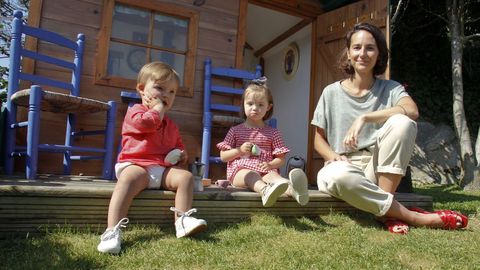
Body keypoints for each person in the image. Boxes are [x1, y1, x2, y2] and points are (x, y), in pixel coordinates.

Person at [311, 22, 468, 234]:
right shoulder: (330, 92)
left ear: (378, 54)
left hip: (378, 168)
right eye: (357, 47)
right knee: (338, 176)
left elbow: (411, 110)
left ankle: (385, 210)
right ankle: (410, 217)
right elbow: (318, 138)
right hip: (343, 165)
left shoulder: (391, 88)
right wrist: (332, 155)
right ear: (348, 53)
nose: (362, 54)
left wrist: (365, 118)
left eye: (370, 48)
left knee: (402, 122)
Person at [97, 62, 207, 254]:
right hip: (136, 164)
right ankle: (111, 231)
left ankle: (182, 220)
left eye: (172, 92)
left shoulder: (171, 124)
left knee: (186, 177)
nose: (166, 95)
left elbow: (178, 145)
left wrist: (181, 155)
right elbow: (146, 124)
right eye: (159, 88)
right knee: (128, 179)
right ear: (141, 89)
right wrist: (157, 109)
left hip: (161, 169)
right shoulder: (135, 112)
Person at [217, 78, 309, 207]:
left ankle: (295, 191)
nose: (255, 108)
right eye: (250, 104)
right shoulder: (235, 131)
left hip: (265, 169)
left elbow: (281, 159)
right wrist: (239, 150)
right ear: (243, 104)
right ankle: (265, 191)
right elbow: (223, 156)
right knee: (251, 175)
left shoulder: (273, 133)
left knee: (276, 179)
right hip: (240, 172)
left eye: (260, 105)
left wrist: (270, 165)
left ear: (268, 107)